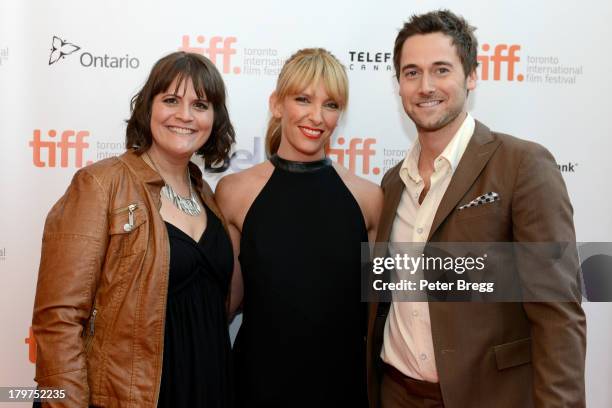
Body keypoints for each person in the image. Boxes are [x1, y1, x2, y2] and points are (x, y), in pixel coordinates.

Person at [366, 10, 586, 408]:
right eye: (411, 72)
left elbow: (557, 313)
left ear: (471, 76)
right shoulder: (393, 182)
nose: (425, 86)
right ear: (398, 84)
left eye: (441, 70)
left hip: (488, 396)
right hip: (396, 392)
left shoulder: (522, 165)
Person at [32, 51, 236, 407]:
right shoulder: (100, 184)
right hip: (132, 396)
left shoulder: (206, 194)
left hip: (207, 386)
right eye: (171, 100)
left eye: (200, 105)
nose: (185, 115)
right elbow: (58, 319)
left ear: (214, 118)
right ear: (148, 108)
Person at [216, 48, 382, 407]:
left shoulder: (369, 199)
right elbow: (226, 304)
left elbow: (379, 313)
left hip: (342, 387)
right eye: (303, 99)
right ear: (277, 104)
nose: (316, 116)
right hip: (256, 385)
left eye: (331, 104)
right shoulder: (234, 193)